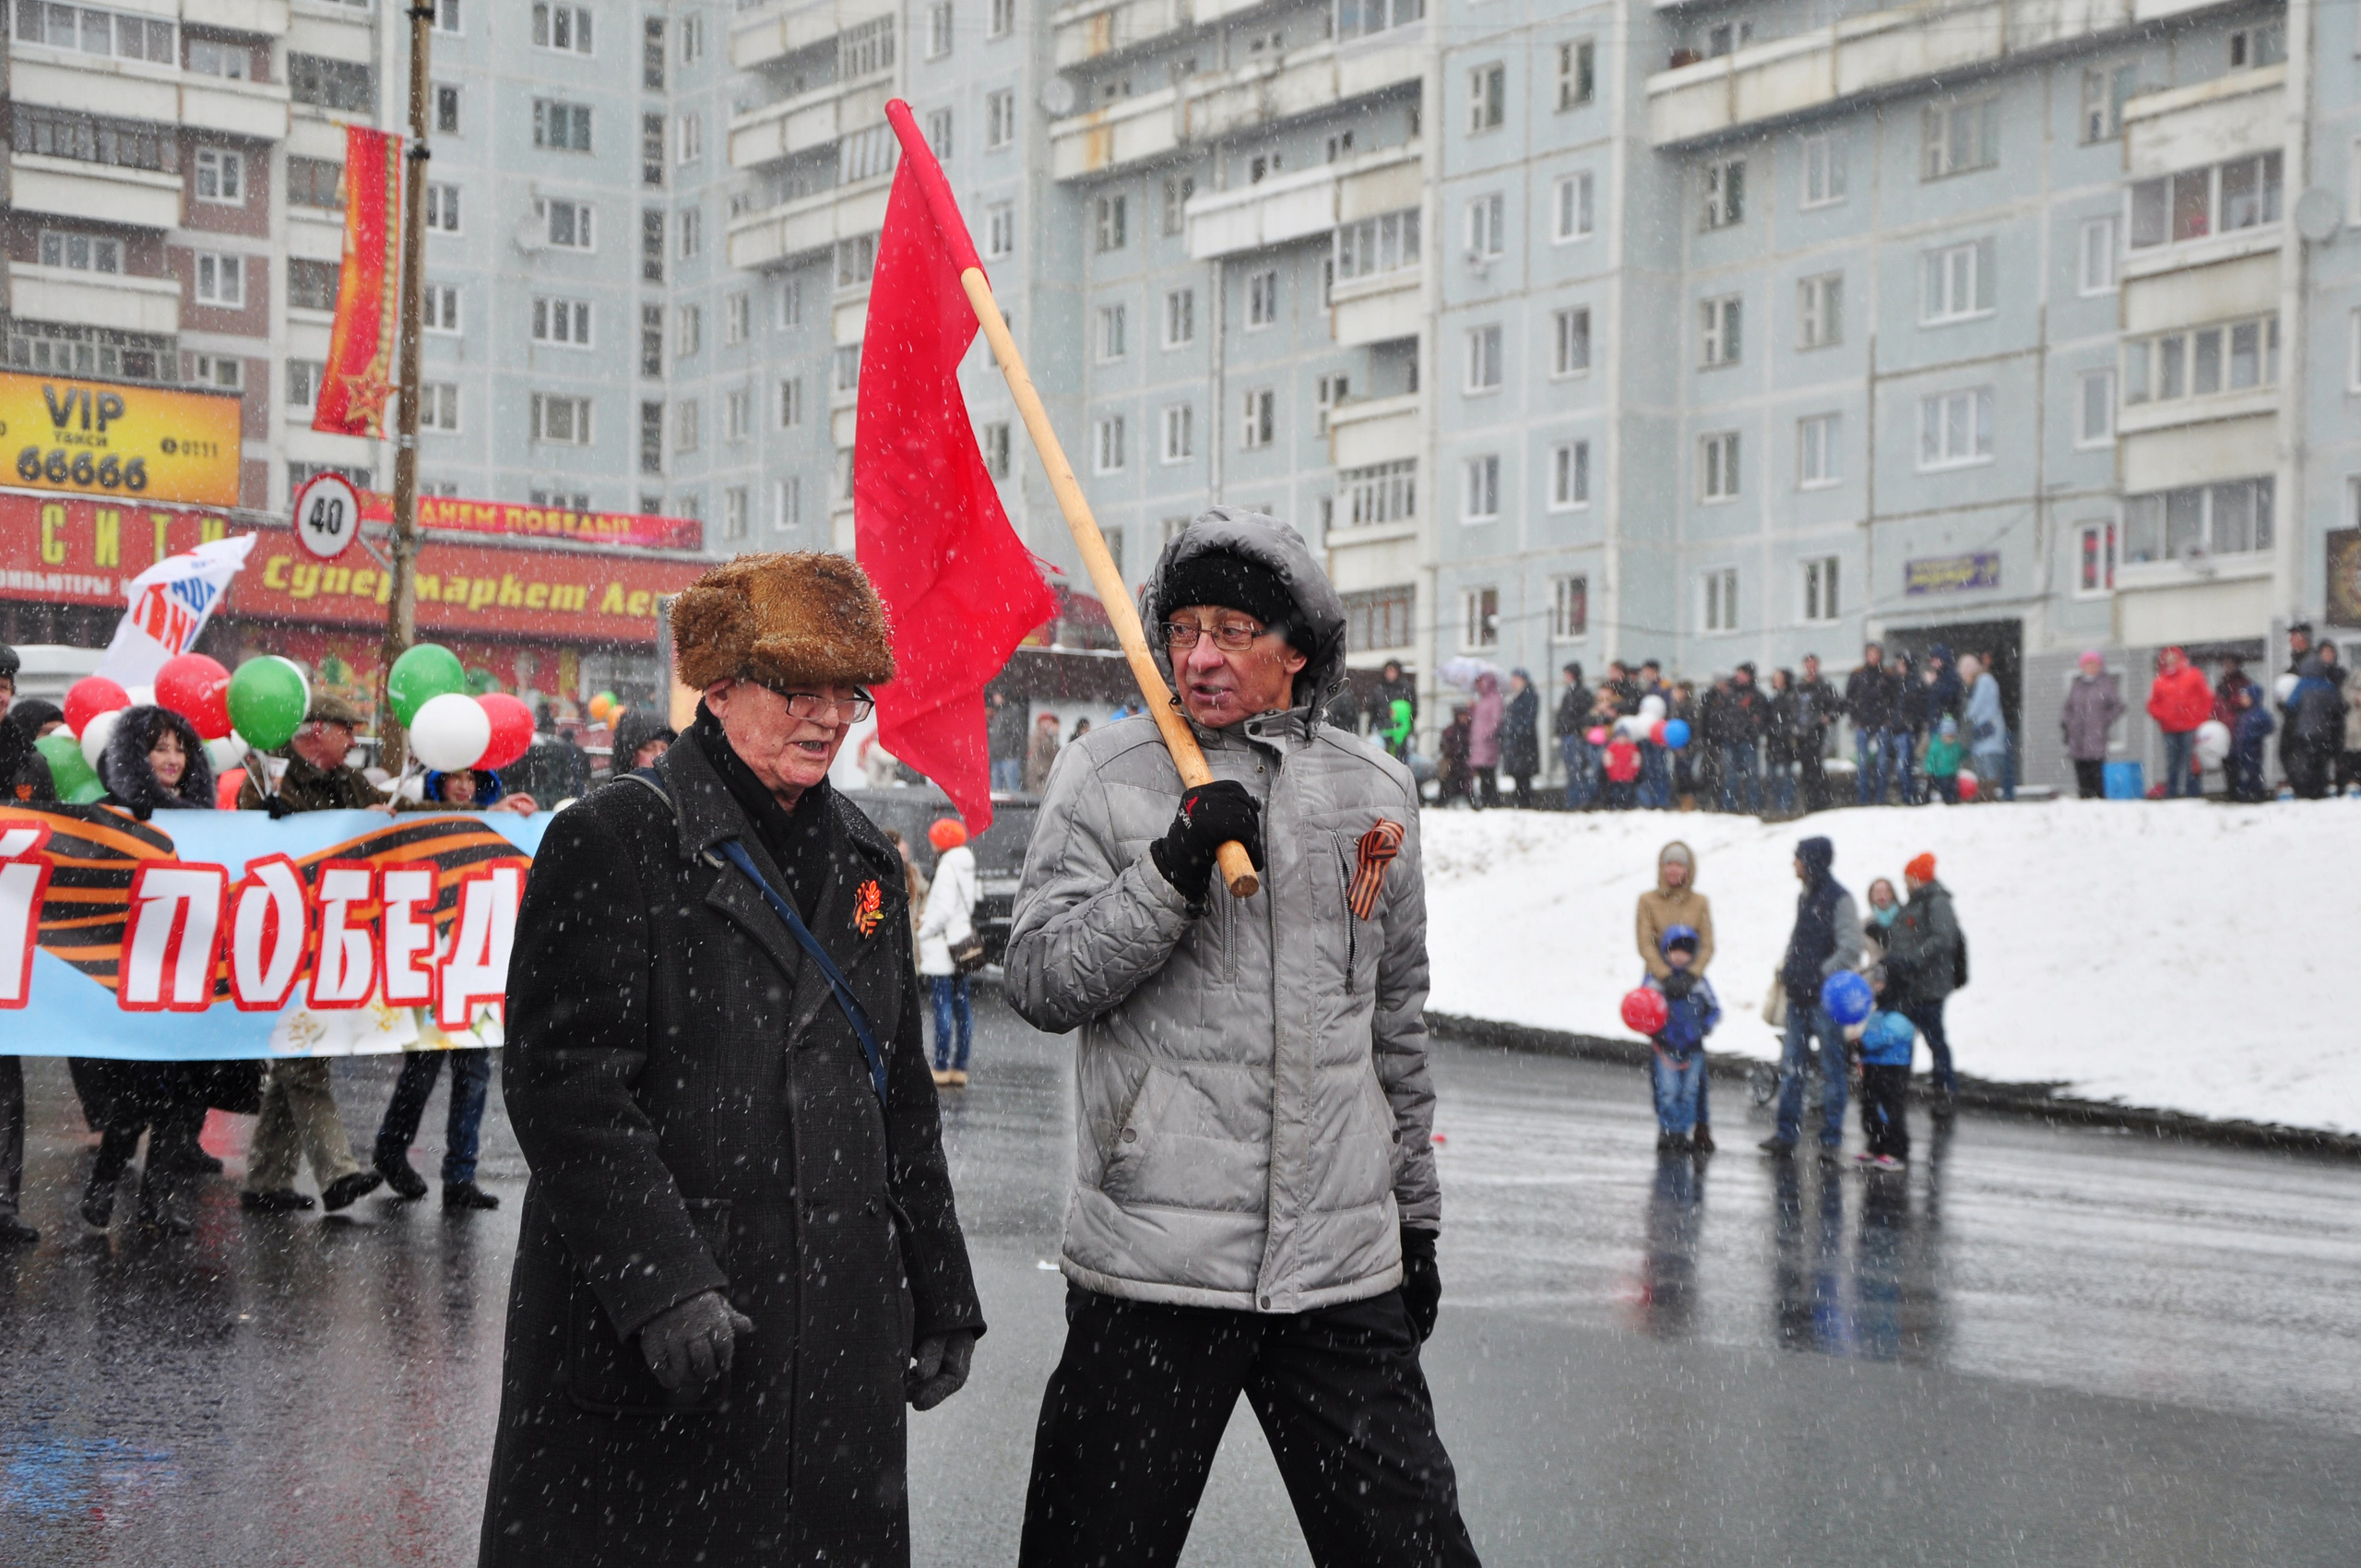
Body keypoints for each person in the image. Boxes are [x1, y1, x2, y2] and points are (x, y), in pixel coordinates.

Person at [480, 551, 983, 1566]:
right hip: (673, 1328)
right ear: (717, 688)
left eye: (848, 691)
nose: (829, 715)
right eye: (798, 687)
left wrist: (941, 1284)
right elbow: (565, 1085)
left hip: (834, 1326)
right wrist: (661, 1278)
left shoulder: (866, 858)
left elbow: (898, 1092)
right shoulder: (613, 840)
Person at [1006, 506, 1478, 1568]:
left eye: (1232, 629)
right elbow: (1040, 978)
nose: (1200, 655)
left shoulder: (1374, 791)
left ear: (1296, 648)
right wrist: (1171, 870)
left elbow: (1394, 1022)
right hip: (1155, 1265)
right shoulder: (1110, 775)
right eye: (1182, 629)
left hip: (1340, 1271)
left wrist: (1415, 1218)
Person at [236, 694, 387, 1216]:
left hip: (329, 933)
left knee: (295, 1060)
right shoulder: (268, 776)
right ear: (317, 729)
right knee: (304, 1057)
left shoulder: (347, 780)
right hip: (281, 933)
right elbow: (249, 841)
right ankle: (338, 1174)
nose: (352, 742)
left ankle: (266, 1179)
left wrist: (479, 814)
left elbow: (398, 812)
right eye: (347, 730)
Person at [74, 705, 222, 1235]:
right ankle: (104, 1184)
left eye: (180, 748)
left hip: (187, 977)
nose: (172, 758)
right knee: (139, 1096)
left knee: (183, 1095)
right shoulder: (109, 812)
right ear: (137, 753)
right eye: (160, 747)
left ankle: (154, 1200)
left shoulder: (204, 820)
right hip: (130, 979)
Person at [369, 766, 528, 1213]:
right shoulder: (426, 821)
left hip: (471, 971)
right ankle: (392, 1152)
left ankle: (460, 1173)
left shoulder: (491, 826)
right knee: (422, 1073)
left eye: (471, 780)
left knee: (473, 1076)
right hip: (433, 967)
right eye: (455, 778)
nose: (464, 786)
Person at [1762, 836, 1861, 1162]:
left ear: (1812, 861)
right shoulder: (1804, 897)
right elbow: (1797, 939)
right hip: (1798, 997)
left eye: (1798, 858)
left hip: (1824, 1000)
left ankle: (1831, 1137)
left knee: (1832, 1069)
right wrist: (1789, 968)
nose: (1794, 864)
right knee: (1792, 1068)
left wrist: (1819, 974)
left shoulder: (1839, 899)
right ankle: (1785, 1133)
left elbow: (1850, 948)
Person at [1637, 841, 1716, 1152]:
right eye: (1669, 864)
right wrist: (1665, 975)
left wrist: (1693, 974)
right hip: (1659, 981)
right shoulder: (1648, 901)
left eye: (1679, 865)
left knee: (1695, 1060)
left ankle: (1700, 1123)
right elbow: (1645, 943)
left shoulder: (1700, 902)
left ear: (1688, 869)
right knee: (1661, 1057)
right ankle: (1667, 1125)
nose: (1674, 870)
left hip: (1691, 982)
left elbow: (1707, 943)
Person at [1883, 851, 1964, 1116]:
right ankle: (1903, 1088)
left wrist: (1912, 960)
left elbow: (1944, 938)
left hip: (1928, 986)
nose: (1904, 882)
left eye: (1907, 877)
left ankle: (1945, 1092)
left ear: (1917, 878)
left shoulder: (1936, 902)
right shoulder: (1918, 902)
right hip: (1910, 985)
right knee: (1905, 1038)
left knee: (1935, 1040)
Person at [1643, 927, 1719, 1155]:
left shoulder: (1699, 983)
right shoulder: (1655, 981)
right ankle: (1668, 1130)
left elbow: (1714, 1008)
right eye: (1674, 950)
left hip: (1693, 1047)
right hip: (1665, 1046)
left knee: (1689, 1092)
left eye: (1685, 952)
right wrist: (1652, 1029)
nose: (1679, 956)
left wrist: (1704, 1027)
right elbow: (1642, 1007)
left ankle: (1681, 1133)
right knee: (1667, 1090)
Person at [918, 815, 979, 1087]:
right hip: (961, 946)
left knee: (942, 1007)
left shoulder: (946, 868)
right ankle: (959, 1067)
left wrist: (923, 930)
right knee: (962, 1007)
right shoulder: (965, 865)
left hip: (943, 949)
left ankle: (941, 1066)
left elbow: (942, 911)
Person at [1853, 998, 1916, 1170]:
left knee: (1890, 1107)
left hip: (1892, 1066)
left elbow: (1892, 1033)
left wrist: (1864, 1044)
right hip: (1873, 1063)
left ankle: (1896, 1150)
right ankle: (1876, 1145)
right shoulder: (1879, 1011)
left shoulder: (1902, 1012)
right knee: (1870, 1106)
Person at [2147, 647, 2212, 800]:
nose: (2171, 660)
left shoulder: (2193, 675)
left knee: (2192, 761)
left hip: (2192, 726)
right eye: (2168, 657)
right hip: (2169, 729)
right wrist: (2163, 716)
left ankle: (2193, 793)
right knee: (2172, 762)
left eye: (2174, 656)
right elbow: (2152, 705)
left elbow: (2206, 698)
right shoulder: (2159, 681)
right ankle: (2172, 793)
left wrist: (2201, 718)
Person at [2284, 644, 2344, 800]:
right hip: (2323, 732)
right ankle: (2320, 790)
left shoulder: (2302, 685)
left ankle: (2306, 791)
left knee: (2305, 763)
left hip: (2304, 732)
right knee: (2321, 763)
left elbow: (2291, 704)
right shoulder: (2329, 686)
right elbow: (2337, 707)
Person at [2061, 650, 2124, 800]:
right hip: (2077, 735)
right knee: (2081, 767)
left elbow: (2118, 706)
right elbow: (2068, 707)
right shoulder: (2078, 685)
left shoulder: (2106, 684)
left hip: (2095, 734)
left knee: (2095, 767)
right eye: (2087, 664)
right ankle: (2084, 796)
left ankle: (2098, 796)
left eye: (2094, 664)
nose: (2090, 667)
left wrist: (2104, 720)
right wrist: (2069, 723)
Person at [1845, 644, 1902, 805]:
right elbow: (1850, 698)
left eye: (1876, 654)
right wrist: (1855, 718)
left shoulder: (1887, 675)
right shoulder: (1857, 675)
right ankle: (1863, 799)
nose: (1873, 657)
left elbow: (1895, 698)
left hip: (1882, 724)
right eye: (1870, 654)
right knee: (1862, 765)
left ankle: (1880, 798)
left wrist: (1889, 718)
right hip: (1862, 724)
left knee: (1882, 764)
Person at [1792, 654, 1839, 812]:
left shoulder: (1824, 685)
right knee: (1806, 767)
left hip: (1816, 731)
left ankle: (1822, 800)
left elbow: (1837, 705)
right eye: (1808, 664)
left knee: (1816, 765)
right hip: (1801, 733)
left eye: (1813, 664)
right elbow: (1793, 708)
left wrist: (1828, 717)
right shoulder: (1799, 686)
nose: (1811, 667)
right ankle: (1810, 801)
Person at [1716, 664, 1764, 813]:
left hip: (1747, 740)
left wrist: (1752, 731)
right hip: (1730, 740)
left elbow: (1762, 717)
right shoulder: (1727, 693)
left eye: (1742, 674)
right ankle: (1728, 805)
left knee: (1752, 775)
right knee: (1730, 775)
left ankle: (1754, 806)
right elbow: (1719, 714)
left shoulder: (1756, 695)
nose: (1739, 677)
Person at [1962, 654, 2010, 799]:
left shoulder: (1984, 681)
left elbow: (1975, 707)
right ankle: (1985, 795)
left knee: (1988, 768)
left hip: (1989, 733)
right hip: (1984, 734)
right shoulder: (1985, 681)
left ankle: (1988, 795)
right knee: (1984, 767)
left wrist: (1966, 713)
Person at [1555, 662, 1593, 809]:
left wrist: (1573, 727)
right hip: (1568, 734)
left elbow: (1581, 714)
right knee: (1572, 770)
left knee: (1577, 770)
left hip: (1574, 735)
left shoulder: (1580, 693)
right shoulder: (1570, 692)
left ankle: (1581, 800)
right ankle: (1574, 800)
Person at [1500, 669, 1539, 809]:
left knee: (1523, 774)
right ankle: (1520, 800)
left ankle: (1524, 801)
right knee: (1518, 774)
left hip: (1523, 743)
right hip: (1516, 742)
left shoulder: (1528, 695)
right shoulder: (1515, 696)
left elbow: (1529, 718)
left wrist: (1518, 731)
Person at [2228, 683, 2274, 802]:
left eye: (2246, 697)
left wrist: (2255, 736)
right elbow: (2238, 733)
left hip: (2253, 750)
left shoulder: (2259, 714)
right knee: (2242, 775)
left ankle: (2255, 795)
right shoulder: (2243, 715)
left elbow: (2269, 726)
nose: (2242, 700)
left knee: (2252, 774)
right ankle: (2245, 795)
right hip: (2241, 751)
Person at [1762, 669, 1799, 814]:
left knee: (1786, 775)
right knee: (1773, 776)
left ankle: (1785, 804)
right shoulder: (1773, 699)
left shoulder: (1789, 698)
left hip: (1784, 741)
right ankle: (1779, 804)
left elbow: (1790, 719)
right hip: (1774, 742)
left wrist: (1784, 732)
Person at [1467, 670, 1503, 809]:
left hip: (1487, 743)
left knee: (1488, 773)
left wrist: (1486, 734)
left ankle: (1492, 800)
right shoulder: (1483, 700)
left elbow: (1495, 720)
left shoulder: (1495, 699)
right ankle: (1485, 799)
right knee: (1482, 773)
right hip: (1479, 744)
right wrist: (1472, 708)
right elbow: (1478, 719)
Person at [1374, 660, 1418, 764]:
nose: (1391, 674)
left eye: (1393, 671)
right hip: (1382, 729)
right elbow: (1374, 710)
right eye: (1388, 671)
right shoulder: (1380, 689)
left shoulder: (1406, 688)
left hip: (1402, 731)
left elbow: (1413, 710)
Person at [610, 707, 677, 774]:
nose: (658, 756)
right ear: (631, 754)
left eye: (664, 749)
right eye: (650, 748)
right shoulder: (604, 782)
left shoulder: (675, 783)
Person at [989, 687, 1029, 793]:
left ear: (1003, 696)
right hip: (998, 756)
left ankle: (1017, 809)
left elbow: (1019, 734)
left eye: (997, 695)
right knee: (996, 790)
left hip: (1009, 757)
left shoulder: (1013, 711)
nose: (994, 698)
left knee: (1012, 789)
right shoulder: (1000, 712)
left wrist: (1017, 753)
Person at [1437, 704, 1473, 806]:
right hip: (1452, 760)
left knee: (1465, 778)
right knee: (1448, 777)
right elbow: (1443, 745)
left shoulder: (1470, 730)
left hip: (1465, 761)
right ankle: (1445, 800)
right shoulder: (1450, 730)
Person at [1923, 717, 1964, 803]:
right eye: (1947, 736)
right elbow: (1931, 759)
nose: (1949, 739)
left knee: (1953, 788)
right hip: (1940, 774)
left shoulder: (1955, 747)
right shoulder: (1936, 746)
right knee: (1943, 788)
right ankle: (1944, 799)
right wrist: (1930, 770)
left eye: (1952, 737)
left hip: (1952, 774)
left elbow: (1960, 754)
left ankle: (1952, 799)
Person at [1025, 709, 1062, 794]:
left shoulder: (1047, 736)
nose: (1048, 724)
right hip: (1040, 775)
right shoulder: (1039, 736)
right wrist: (1039, 771)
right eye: (1046, 722)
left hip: (1045, 773)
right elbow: (1036, 754)